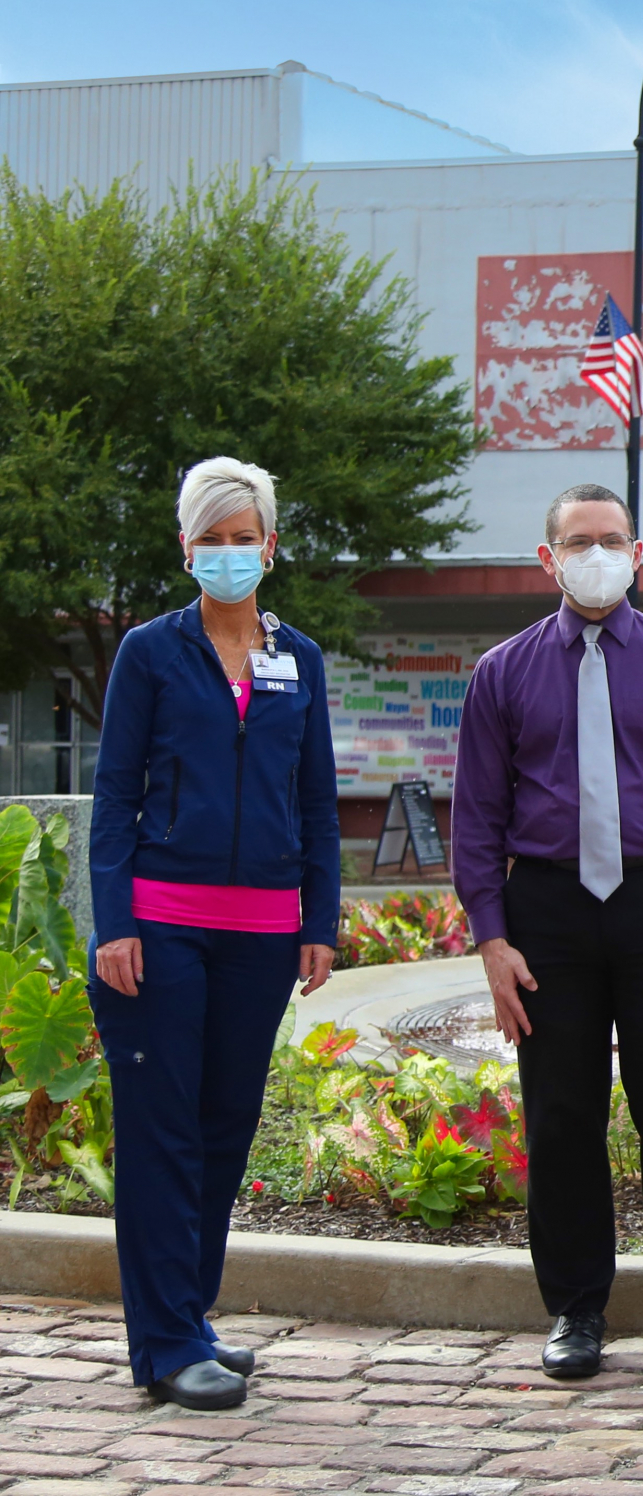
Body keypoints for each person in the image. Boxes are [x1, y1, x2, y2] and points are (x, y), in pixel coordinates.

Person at [451, 483, 643, 1380]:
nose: (596, 553)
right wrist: (494, 941)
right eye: (578, 542)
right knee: (562, 1113)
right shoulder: (502, 673)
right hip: (548, 914)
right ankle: (577, 1309)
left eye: (611, 539)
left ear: (638, 551)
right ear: (548, 559)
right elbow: (476, 820)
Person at [87, 457, 340, 1411]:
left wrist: (319, 918)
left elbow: (316, 802)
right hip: (160, 930)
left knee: (224, 1129)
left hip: (263, 936)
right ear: (185, 550)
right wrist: (115, 922)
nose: (228, 555)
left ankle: (186, 1317)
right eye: (212, 540)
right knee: (161, 1135)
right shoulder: (151, 653)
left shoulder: (299, 659)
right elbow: (115, 799)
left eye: (244, 538)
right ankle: (163, 1344)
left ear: (270, 547)